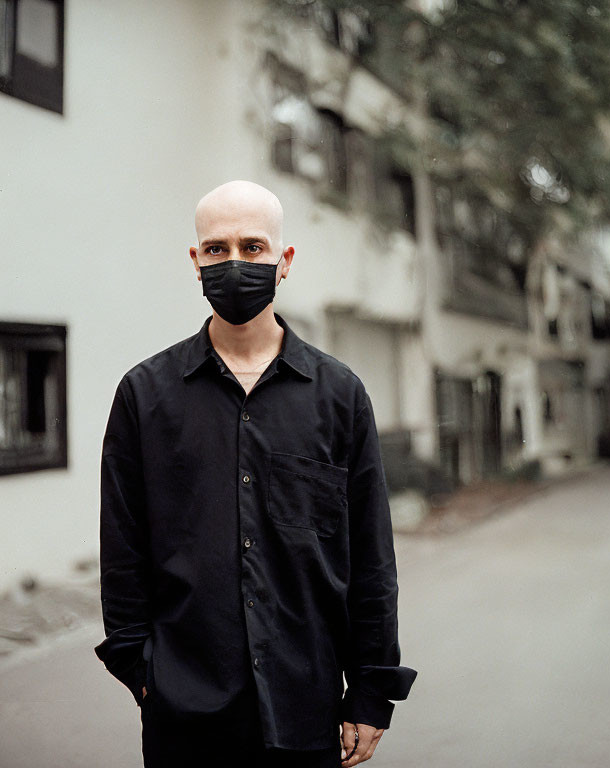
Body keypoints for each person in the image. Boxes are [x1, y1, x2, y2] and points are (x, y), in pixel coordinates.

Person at [94, 180, 417, 767]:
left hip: (306, 711)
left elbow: (370, 556)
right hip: (184, 716)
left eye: (253, 246)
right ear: (195, 262)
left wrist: (372, 690)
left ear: (284, 261)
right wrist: (139, 668)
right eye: (217, 249)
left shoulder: (339, 396)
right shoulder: (145, 397)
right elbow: (123, 550)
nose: (234, 263)